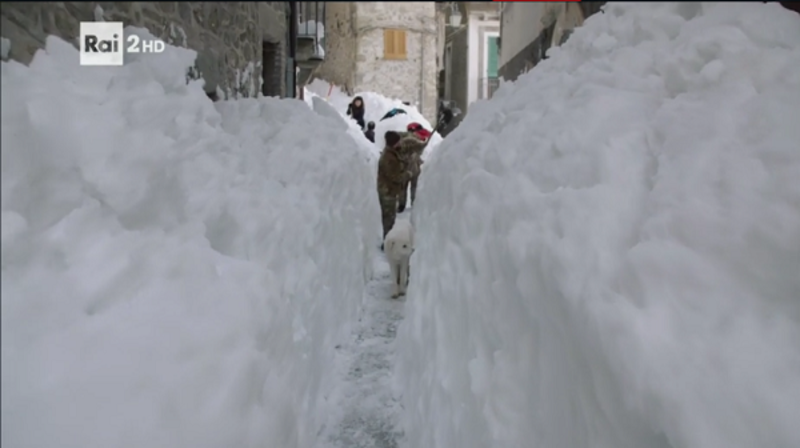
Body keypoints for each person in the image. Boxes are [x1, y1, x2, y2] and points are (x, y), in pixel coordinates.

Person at [377, 131, 418, 241]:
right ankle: (387, 242)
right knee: (388, 219)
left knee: (391, 217)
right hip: (387, 192)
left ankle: (389, 240)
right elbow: (395, 176)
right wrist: (407, 174)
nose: (401, 143)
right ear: (393, 143)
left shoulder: (392, 153)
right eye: (398, 141)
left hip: (390, 191)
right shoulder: (388, 158)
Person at [397, 123, 430, 213]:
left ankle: (401, 205)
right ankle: (414, 203)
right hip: (415, 168)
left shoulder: (404, 140)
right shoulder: (419, 140)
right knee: (414, 187)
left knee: (402, 187)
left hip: (406, 169)